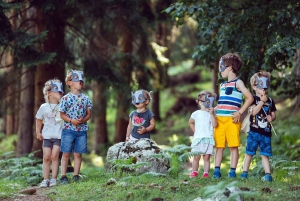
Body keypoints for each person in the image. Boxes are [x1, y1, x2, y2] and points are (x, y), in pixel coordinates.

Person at [213, 53, 254, 178]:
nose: (220, 71)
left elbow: (250, 98)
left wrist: (240, 112)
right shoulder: (222, 85)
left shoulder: (238, 82)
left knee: (233, 146)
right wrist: (214, 109)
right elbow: (222, 103)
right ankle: (216, 171)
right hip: (219, 120)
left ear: (229, 67)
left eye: (222, 67)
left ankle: (232, 171)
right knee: (219, 146)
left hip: (232, 120)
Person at [241, 71, 276, 182]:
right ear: (254, 87)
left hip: (266, 133)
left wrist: (272, 117)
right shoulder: (253, 100)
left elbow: (273, 114)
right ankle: (244, 173)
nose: (264, 89)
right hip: (254, 132)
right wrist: (261, 101)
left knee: (265, 154)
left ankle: (268, 175)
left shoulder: (270, 101)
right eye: (261, 86)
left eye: (266, 86)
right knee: (249, 153)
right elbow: (254, 112)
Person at [59, 70, 92, 184]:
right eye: (77, 80)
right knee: (66, 153)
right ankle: (63, 176)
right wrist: (71, 121)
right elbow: (61, 114)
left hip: (81, 130)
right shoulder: (65, 98)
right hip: (68, 130)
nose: (80, 82)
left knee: (78, 153)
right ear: (69, 83)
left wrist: (83, 120)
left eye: (81, 80)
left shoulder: (86, 98)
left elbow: (89, 114)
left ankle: (76, 175)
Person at [36, 79, 64, 187]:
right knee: (46, 157)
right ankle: (45, 179)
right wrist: (38, 132)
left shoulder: (62, 105)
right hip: (47, 136)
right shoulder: (43, 107)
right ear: (49, 93)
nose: (60, 93)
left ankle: (53, 179)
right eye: (58, 91)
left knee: (54, 156)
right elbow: (38, 119)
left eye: (61, 91)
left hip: (59, 136)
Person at [189, 91, 217, 178]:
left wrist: (212, 114)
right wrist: (195, 131)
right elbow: (190, 122)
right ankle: (194, 172)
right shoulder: (196, 113)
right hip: (198, 139)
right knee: (196, 157)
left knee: (206, 158)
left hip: (208, 138)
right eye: (207, 102)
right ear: (200, 102)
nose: (210, 104)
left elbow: (215, 125)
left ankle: (206, 173)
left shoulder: (211, 114)